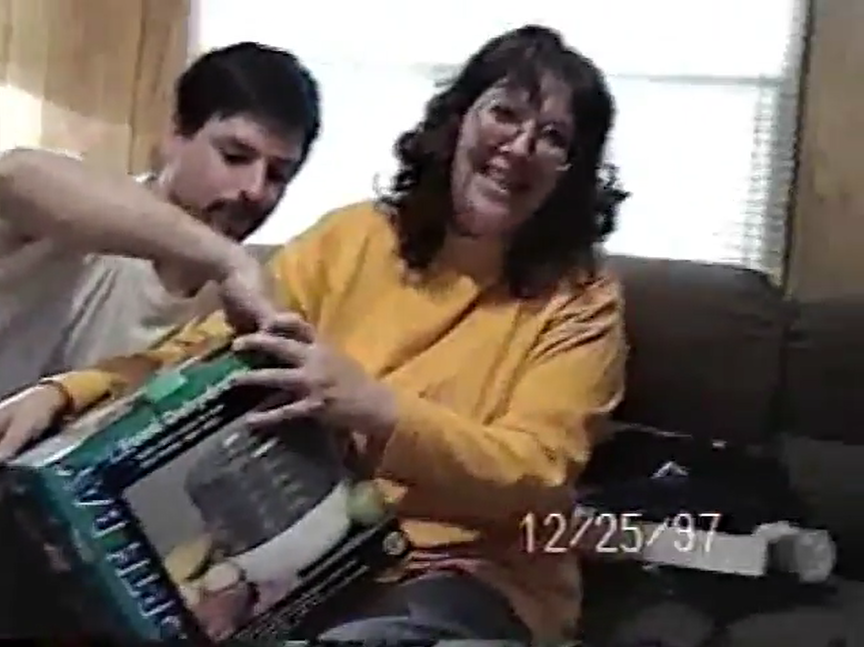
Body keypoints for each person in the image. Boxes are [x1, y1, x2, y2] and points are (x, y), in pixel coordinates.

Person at [0, 25, 628, 643]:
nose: (520, 146)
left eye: (553, 137)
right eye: (505, 114)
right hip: (305, 567)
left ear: (571, 173)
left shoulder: (581, 299)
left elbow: (539, 474)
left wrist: (377, 409)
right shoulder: (352, 237)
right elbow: (204, 355)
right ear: (460, 120)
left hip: (461, 576)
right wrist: (68, 392)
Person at [0, 41, 321, 402]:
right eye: (234, 156)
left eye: (278, 175)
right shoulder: (81, 215)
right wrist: (228, 261)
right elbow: (15, 173)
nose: (255, 189)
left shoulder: (265, 283)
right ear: (175, 134)